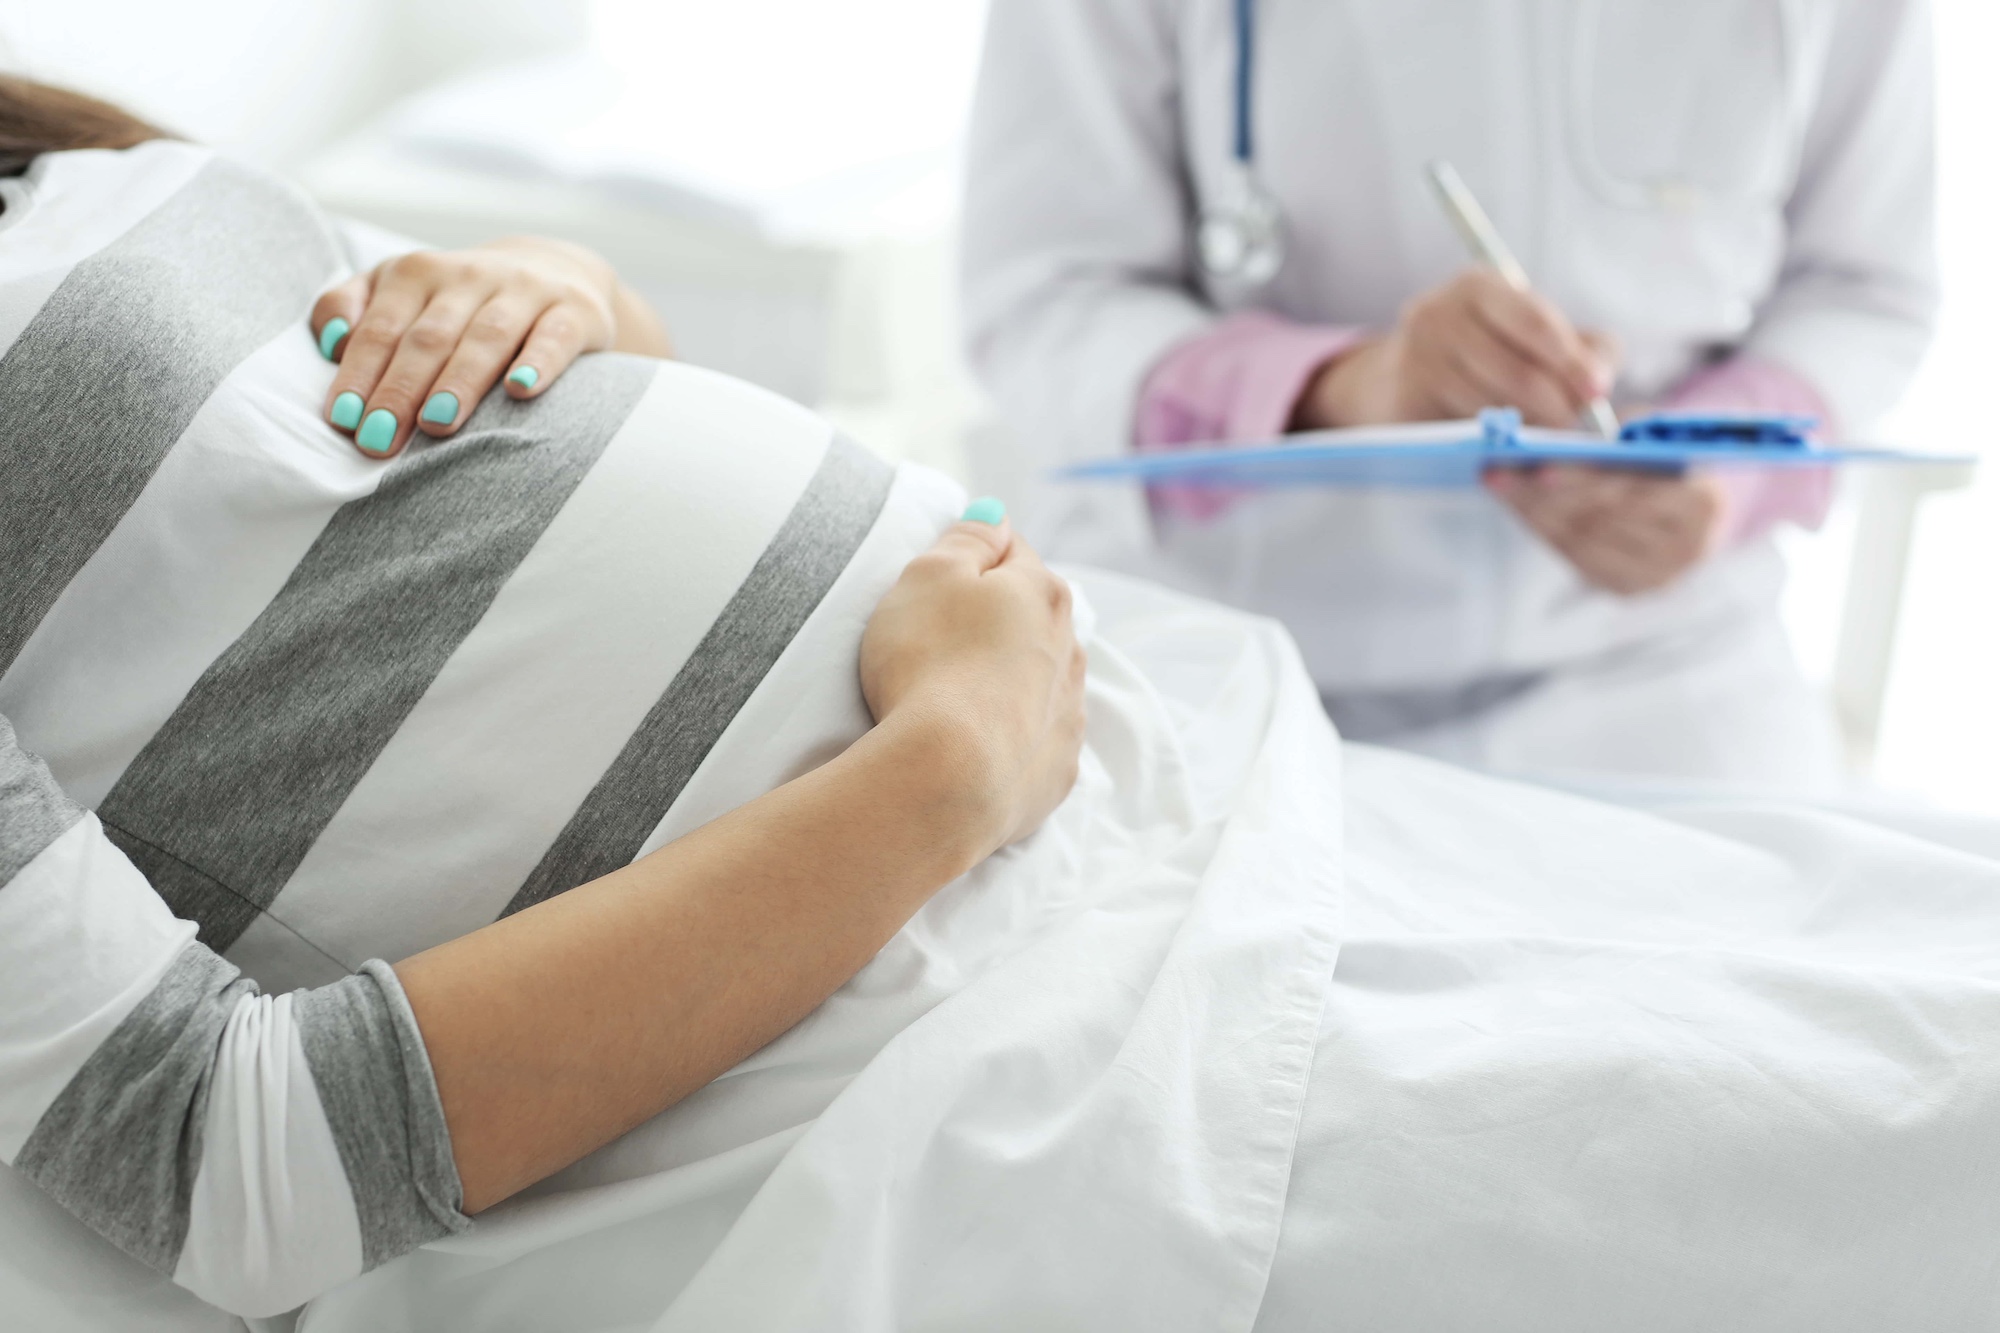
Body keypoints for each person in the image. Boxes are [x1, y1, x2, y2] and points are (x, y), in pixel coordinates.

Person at [8, 77, 2000, 1333]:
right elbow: (225, 1162)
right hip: (971, 1033)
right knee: (1922, 1129)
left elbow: (420, 431)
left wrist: (562, 289)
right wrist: (942, 773)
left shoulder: (49, 146)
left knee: (1931, 979)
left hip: (1173, 777)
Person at [961, 0, 1940, 789]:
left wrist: (1720, 472)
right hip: (1219, 654)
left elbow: (1863, 288)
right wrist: (1341, 387)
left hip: (1659, 673)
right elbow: (1047, 297)